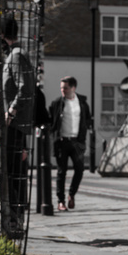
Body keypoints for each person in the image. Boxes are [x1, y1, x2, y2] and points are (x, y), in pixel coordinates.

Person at [2, 18, 36, 234]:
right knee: (6, 172)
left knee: (13, 173)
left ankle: (16, 219)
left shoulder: (16, 56)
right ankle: (12, 217)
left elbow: (26, 88)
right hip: (10, 126)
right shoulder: (12, 56)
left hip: (14, 126)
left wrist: (11, 112)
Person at [48, 75, 92, 211]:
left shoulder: (83, 103)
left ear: (73, 88)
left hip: (77, 142)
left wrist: (84, 136)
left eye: (66, 88)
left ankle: (71, 194)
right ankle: (61, 202)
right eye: (61, 88)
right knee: (61, 172)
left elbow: (88, 120)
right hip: (62, 141)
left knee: (79, 170)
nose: (63, 90)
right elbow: (51, 121)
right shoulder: (57, 104)